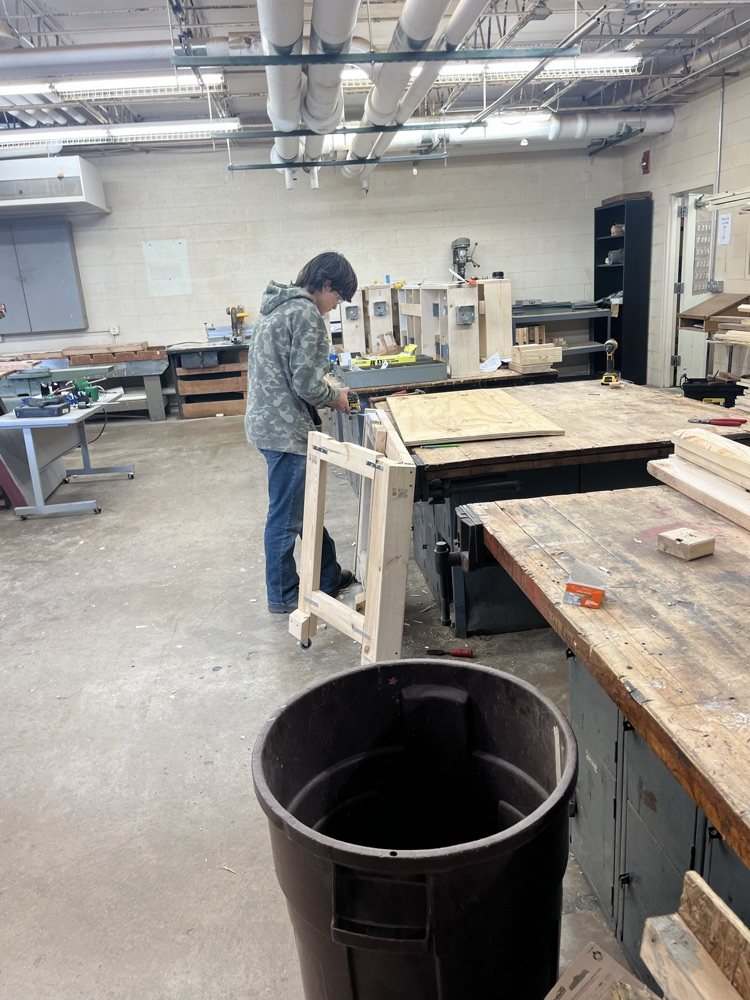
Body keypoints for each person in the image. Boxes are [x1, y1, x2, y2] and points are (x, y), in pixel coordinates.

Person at [245, 251, 358, 614]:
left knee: (304, 508)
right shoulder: (306, 313)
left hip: (268, 423)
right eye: (337, 297)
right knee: (286, 517)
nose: (334, 305)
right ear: (325, 285)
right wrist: (336, 397)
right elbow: (307, 384)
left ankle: (327, 575)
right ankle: (282, 595)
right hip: (285, 430)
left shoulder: (277, 307)